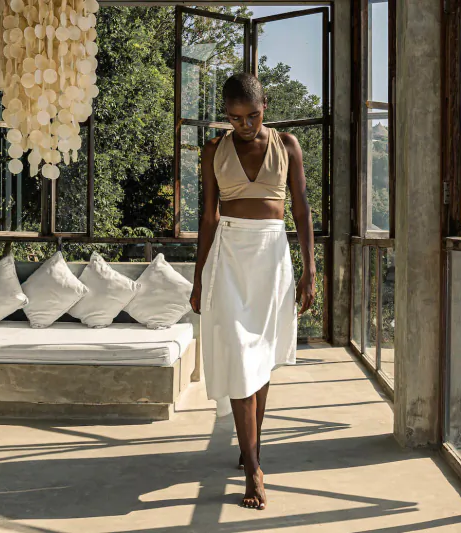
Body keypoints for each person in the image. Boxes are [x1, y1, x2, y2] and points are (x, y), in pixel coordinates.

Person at [189, 72, 316, 510]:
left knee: (260, 356)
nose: (243, 125)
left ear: (266, 108)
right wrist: (199, 276)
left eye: (252, 116)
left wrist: (310, 270)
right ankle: (254, 469)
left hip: (272, 258)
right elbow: (208, 217)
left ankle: (250, 447)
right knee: (242, 356)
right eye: (234, 118)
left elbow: (301, 208)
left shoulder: (288, 146)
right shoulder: (214, 150)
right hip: (229, 257)